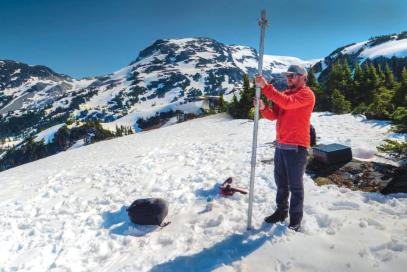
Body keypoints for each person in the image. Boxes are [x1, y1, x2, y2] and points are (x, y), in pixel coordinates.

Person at [254, 64, 315, 231]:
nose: (289, 78)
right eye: (287, 76)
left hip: (297, 147)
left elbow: (287, 104)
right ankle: (281, 212)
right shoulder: (286, 94)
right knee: (281, 184)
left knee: (295, 186)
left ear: (303, 77)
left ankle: (295, 220)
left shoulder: (306, 94)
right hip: (281, 146)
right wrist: (263, 108)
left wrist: (266, 87)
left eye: (292, 75)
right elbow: (274, 116)